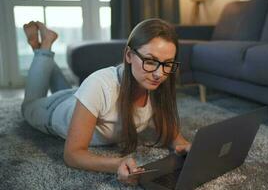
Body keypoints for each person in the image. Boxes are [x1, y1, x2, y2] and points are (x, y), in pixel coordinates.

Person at [21, 19, 191, 185]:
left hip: (83, 97)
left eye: (167, 64)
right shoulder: (100, 84)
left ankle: (41, 51)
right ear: (129, 55)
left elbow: (176, 138)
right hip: (54, 110)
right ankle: (43, 47)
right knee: (28, 105)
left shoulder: (158, 86)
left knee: (79, 92)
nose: (159, 74)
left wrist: (185, 146)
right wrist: (116, 164)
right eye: (151, 61)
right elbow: (72, 154)